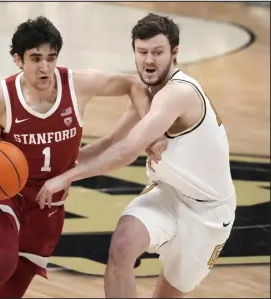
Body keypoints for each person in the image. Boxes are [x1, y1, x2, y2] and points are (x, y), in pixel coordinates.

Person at [0, 16, 164, 299]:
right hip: (8, 196)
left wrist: (149, 132)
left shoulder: (77, 84)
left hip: (49, 205)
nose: (45, 67)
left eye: (51, 57)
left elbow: (134, 86)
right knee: (0, 264)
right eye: (35, 58)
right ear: (18, 60)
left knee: (5, 294)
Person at [36, 13, 237, 298]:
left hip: (209, 212)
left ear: (174, 53)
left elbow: (126, 150)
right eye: (142, 52)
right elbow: (110, 142)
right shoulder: (148, 94)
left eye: (157, 52)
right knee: (122, 245)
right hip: (167, 195)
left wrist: (67, 178)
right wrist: (51, 169)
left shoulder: (178, 93)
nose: (149, 60)